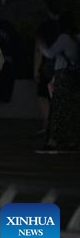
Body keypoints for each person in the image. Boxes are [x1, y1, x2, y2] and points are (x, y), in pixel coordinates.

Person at [35, 19, 80, 153]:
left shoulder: (64, 38)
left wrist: (40, 45)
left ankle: (53, 141)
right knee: (71, 111)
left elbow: (50, 53)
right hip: (75, 77)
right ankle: (71, 141)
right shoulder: (77, 38)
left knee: (57, 110)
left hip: (63, 76)